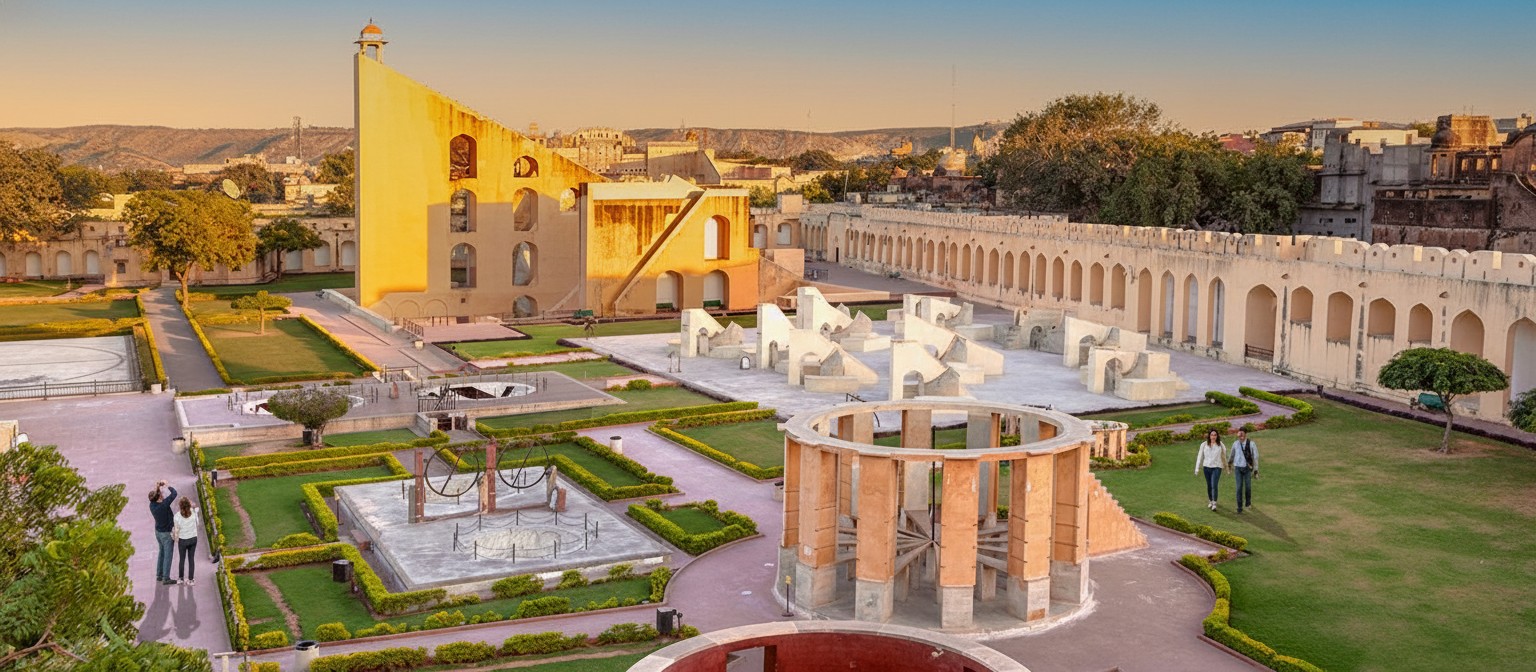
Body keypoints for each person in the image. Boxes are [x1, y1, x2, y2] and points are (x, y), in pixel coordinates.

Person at [148, 480, 178, 585]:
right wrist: (167, 485)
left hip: (158, 532)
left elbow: (155, 496)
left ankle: (159, 575)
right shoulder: (164, 505)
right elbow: (174, 493)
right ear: (159, 498)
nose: (163, 495)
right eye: (161, 495)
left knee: (161, 553)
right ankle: (166, 578)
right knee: (168, 555)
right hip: (166, 534)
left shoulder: (152, 505)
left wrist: (158, 486)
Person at [1193, 429, 1229, 511]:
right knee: (1209, 485)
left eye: (1215, 435)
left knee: (1214, 485)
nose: (1213, 436)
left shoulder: (1221, 445)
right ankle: (1210, 500)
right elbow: (1200, 456)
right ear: (1209, 436)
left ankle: (1214, 503)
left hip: (1217, 467)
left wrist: (1226, 468)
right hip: (1207, 467)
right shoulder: (1204, 445)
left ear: (1217, 436)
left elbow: (1224, 457)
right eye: (1212, 435)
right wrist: (1197, 468)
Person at [173, 498, 201, 585]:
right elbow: (198, 523)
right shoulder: (193, 512)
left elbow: (176, 529)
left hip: (182, 540)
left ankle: (181, 578)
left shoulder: (177, 516)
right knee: (191, 559)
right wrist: (193, 505)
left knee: (182, 559)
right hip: (193, 539)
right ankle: (191, 580)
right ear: (189, 505)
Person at [1231, 427, 1259, 513]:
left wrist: (1256, 470)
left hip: (1247, 468)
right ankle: (1239, 507)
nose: (1241, 435)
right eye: (1240, 434)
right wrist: (1229, 464)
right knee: (1239, 487)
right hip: (1238, 468)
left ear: (1245, 434)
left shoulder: (1251, 444)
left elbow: (1255, 457)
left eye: (1243, 433)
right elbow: (1232, 455)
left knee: (1248, 487)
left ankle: (1248, 503)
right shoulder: (1235, 444)